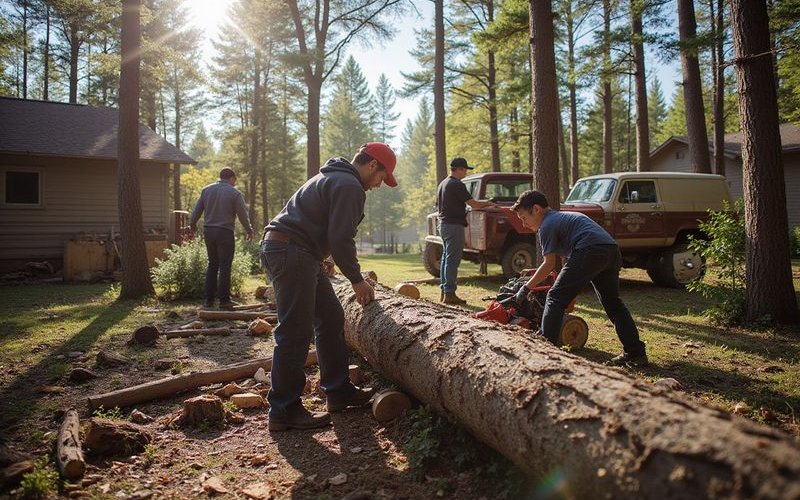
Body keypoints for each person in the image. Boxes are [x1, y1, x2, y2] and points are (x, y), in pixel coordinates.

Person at [260, 143, 398, 431]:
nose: (379, 185)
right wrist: (356, 279)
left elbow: (320, 224)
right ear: (372, 165)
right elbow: (341, 238)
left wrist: (322, 257)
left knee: (331, 317)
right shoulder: (349, 185)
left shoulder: (334, 177)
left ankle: (337, 391)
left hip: (296, 251)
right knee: (295, 330)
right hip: (292, 251)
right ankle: (284, 409)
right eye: (381, 178)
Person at [511, 190, 648, 366]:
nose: (523, 224)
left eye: (524, 217)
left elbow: (548, 264)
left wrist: (526, 288)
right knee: (613, 304)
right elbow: (565, 259)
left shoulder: (547, 225)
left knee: (555, 297)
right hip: (611, 250)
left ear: (536, 209)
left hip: (590, 250)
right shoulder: (562, 218)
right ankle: (636, 352)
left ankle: (545, 352)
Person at [189, 167, 253, 310]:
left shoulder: (206, 190)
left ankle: (209, 300)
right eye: (234, 180)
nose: (235, 183)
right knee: (225, 265)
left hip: (209, 232)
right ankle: (224, 300)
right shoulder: (235, 193)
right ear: (231, 178)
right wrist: (249, 229)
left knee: (212, 264)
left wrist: (191, 225)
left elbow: (197, 210)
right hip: (225, 232)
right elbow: (243, 215)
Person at [436, 157, 498, 305]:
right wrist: (489, 203)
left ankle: (444, 291)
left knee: (446, 258)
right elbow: (474, 204)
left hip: (443, 225)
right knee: (452, 260)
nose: (465, 173)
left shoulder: (443, 184)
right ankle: (450, 293)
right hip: (454, 226)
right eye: (464, 170)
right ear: (458, 169)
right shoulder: (457, 184)